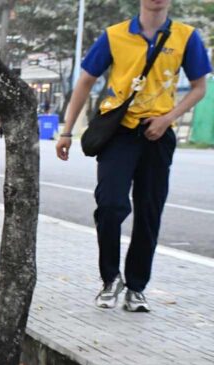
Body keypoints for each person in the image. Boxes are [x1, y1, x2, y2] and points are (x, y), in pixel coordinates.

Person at [57, 0, 210, 312]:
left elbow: (199, 87)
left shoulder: (186, 36)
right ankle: (110, 279)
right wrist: (66, 131)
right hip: (119, 133)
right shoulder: (114, 35)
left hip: (158, 135)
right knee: (110, 205)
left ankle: (136, 287)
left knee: (149, 211)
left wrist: (168, 118)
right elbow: (85, 81)